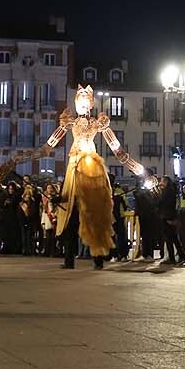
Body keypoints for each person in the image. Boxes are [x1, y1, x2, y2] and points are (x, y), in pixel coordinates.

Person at [41, 85, 123, 270]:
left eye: (86, 102)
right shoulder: (70, 122)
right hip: (74, 164)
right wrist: (30, 155)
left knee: (93, 214)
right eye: (80, 102)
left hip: (89, 163)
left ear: (91, 105)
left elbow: (116, 147)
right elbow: (49, 144)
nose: (83, 106)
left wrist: (132, 165)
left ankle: (98, 260)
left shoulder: (97, 123)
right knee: (71, 217)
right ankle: (70, 259)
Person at [158, 175, 184, 265]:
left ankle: (174, 257)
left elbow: (162, 203)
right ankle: (178, 256)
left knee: (170, 238)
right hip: (168, 216)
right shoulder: (171, 191)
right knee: (173, 238)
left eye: (162, 181)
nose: (160, 183)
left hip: (167, 217)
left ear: (166, 182)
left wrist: (158, 195)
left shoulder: (167, 192)